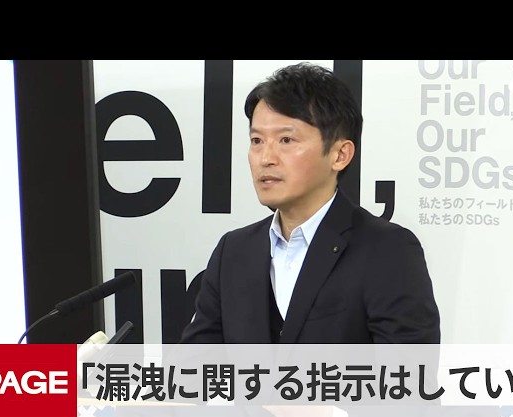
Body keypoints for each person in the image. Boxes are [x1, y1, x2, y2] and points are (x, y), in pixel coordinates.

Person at [180, 62, 440, 344]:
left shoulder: (387, 250)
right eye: (256, 140)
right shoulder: (233, 252)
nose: (265, 158)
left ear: (340, 155)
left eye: (286, 140)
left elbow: (407, 369)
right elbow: (195, 364)